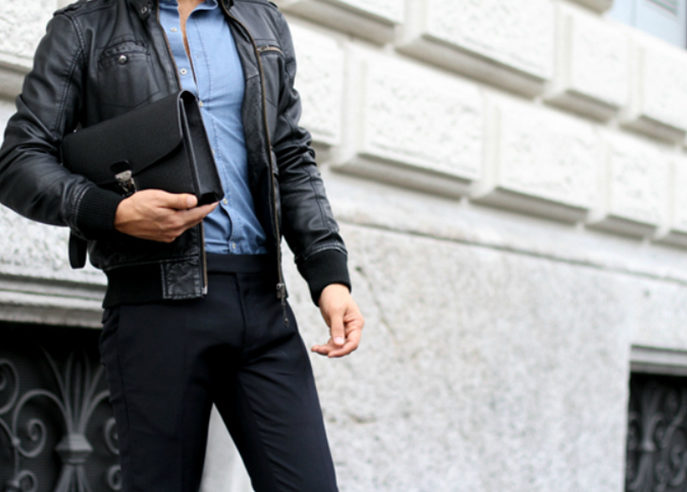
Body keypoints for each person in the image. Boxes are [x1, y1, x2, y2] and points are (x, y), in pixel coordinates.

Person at [0, 0, 364, 490]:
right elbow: (20, 160)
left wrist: (328, 274)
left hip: (263, 306)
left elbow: (289, 155)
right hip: (155, 309)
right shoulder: (84, 26)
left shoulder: (260, 21)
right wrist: (114, 212)